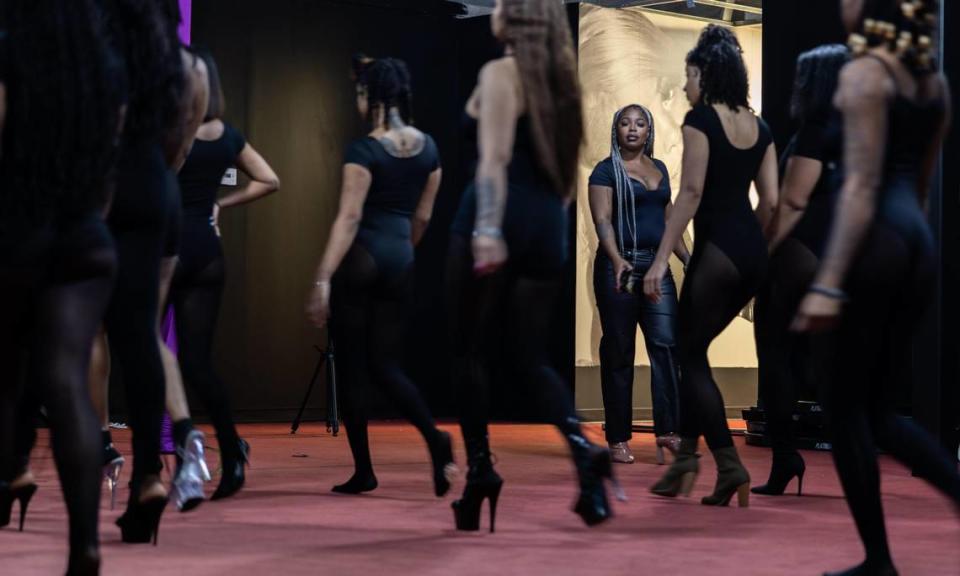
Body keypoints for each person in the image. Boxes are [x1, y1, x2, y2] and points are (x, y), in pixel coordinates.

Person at [793, 1, 959, 574]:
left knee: (845, 410)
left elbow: (861, 186)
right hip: (916, 245)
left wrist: (829, 283)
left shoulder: (865, 73)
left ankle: (879, 561)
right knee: (884, 412)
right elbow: (920, 187)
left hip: (874, 243)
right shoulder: (933, 81)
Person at [447, 0, 617, 532]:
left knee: (467, 350)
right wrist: (538, 227)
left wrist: (489, 231)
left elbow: (494, 157)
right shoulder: (562, 84)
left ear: (515, 19)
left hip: (496, 212)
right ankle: (583, 454)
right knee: (531, 357)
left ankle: (479, 472)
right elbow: (567, 181)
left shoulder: (502, 71)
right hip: (547, 224)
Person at [0, 0, 125, 572]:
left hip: (26, 230)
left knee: (14, 374)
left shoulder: (15, 55)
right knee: (67, 383)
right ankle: (86, 547)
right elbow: (109, 166)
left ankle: (13, 471)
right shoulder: (107, 69)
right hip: (89, 236)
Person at [306, 55, 453, 496]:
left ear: (371, 97)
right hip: (400, 260)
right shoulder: (429, 148)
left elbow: (348, 219)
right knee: (386, 366)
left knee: (354, 370)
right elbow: (423, 218)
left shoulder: (364, 150)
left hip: (363, 258)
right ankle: (436, 438)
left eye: (359, 93)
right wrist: (402, 252)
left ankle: (364, 471)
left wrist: (322, 279)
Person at [644, 24, 778, 507]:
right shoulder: (759, 126)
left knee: (688, 355)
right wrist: (753, 248)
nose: (685, 85)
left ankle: (725, 464)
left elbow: (692, 194)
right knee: (693, 351)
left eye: (689, 74)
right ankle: (685, 461)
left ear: (705, 72)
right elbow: (772, 203)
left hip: (717, 251)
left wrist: (661, 258)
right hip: (751, 255)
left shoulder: (700, 120)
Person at [172, 46, 280, 501]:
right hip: (209, 252)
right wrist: (219, 203)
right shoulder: (227, 135)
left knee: (148, 353)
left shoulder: (174, 130)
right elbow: (270, 179)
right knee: (197, 362)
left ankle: (182, 457)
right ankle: (232, 451)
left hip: (168, 248)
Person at [752, 44, 848, 497]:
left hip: (799, 251)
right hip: (834, 254)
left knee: (775, 359)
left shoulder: (814, 130)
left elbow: (792, 202)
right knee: (826, 365)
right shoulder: (856, 132)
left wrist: (763, 252)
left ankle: (786, 457)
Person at [588, 104, 689, 465]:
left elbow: (670, 219)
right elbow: (602, 220)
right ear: (615, 129)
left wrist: (688, 259)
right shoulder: (605, 170)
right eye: (625, 123)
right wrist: (617, 260)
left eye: (640, 123)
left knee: (666, 346)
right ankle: (617, 437)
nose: (632, 129)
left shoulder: (659, 168)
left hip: (657, 267)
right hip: (621, 268)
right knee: (619, 351)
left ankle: (668, 431)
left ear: (649, 130)